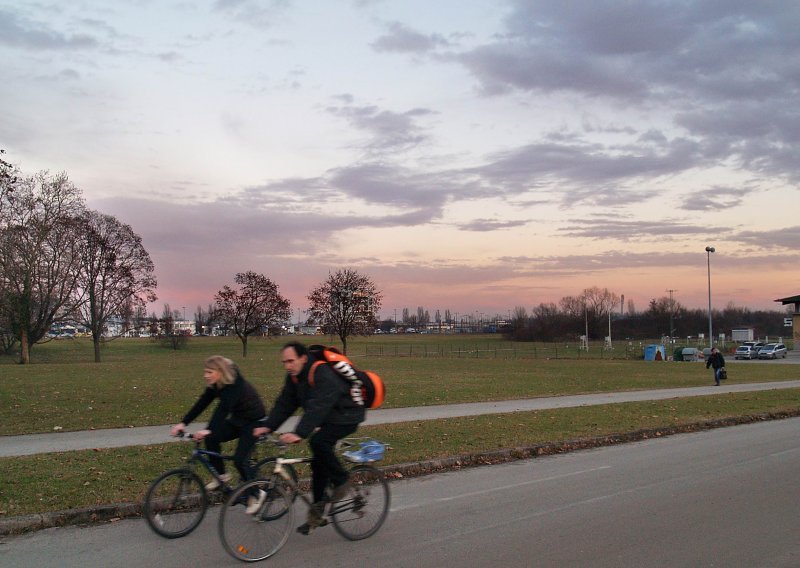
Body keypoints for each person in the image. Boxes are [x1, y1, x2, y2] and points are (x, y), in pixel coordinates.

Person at [254, 341, 365, 534]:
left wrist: (299, 432)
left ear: (303, 358)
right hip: (330, 416)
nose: (287, 366)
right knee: (318, 462)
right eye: (284, 362)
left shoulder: (322, 372)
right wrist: (267, 427)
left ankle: (342, 481)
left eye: (291, 361)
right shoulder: (295, 377)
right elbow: (285, 404)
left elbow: (319, 405)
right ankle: (316, 515)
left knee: (318, 442)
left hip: (348, 415)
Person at [170, 355, 266, 512]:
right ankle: (221, 476)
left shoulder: (235, 383)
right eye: (205, 372)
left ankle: (257, 493)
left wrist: (209, 429)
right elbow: (202, 402)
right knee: (212, 438)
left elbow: (224, 408)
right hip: (238, 420)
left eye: (209, 372)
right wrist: (183, 423)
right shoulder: (216, 384)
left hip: (254, 421)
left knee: (240, 460)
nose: (205, 375)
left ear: (220, 372)